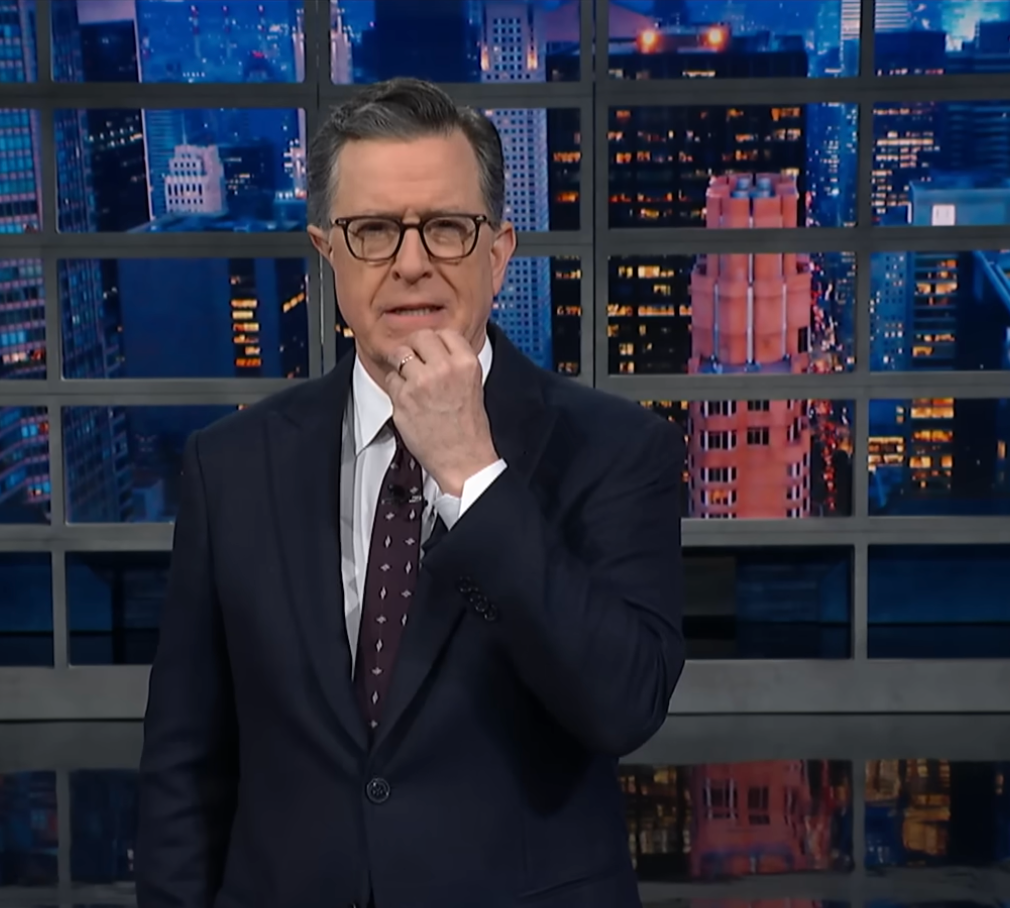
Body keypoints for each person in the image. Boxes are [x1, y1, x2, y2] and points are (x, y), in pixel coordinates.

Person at [134, 78, 686, 908]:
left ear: (498, 252)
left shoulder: (615, 450)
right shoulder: (231, 465)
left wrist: (472, 475)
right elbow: (185, 765)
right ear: (328, 252)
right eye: (373, 231)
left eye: (446, 228)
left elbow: (622, 704)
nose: (412, 261)